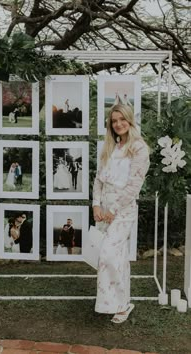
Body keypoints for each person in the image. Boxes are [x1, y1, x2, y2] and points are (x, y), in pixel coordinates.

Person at [92, 104, 150, 324]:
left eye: (121, 119)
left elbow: (134, 185)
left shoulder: (139, 148)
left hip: (122, 210)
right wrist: (96, 205)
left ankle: (119, 303)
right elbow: (98, 179)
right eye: (114, 120)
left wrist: (113, 210)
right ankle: (122, 303)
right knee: (117, 257)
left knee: (107, 254)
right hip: (104, 207)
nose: (118, 124)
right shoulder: (111, 147)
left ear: (129, 120)